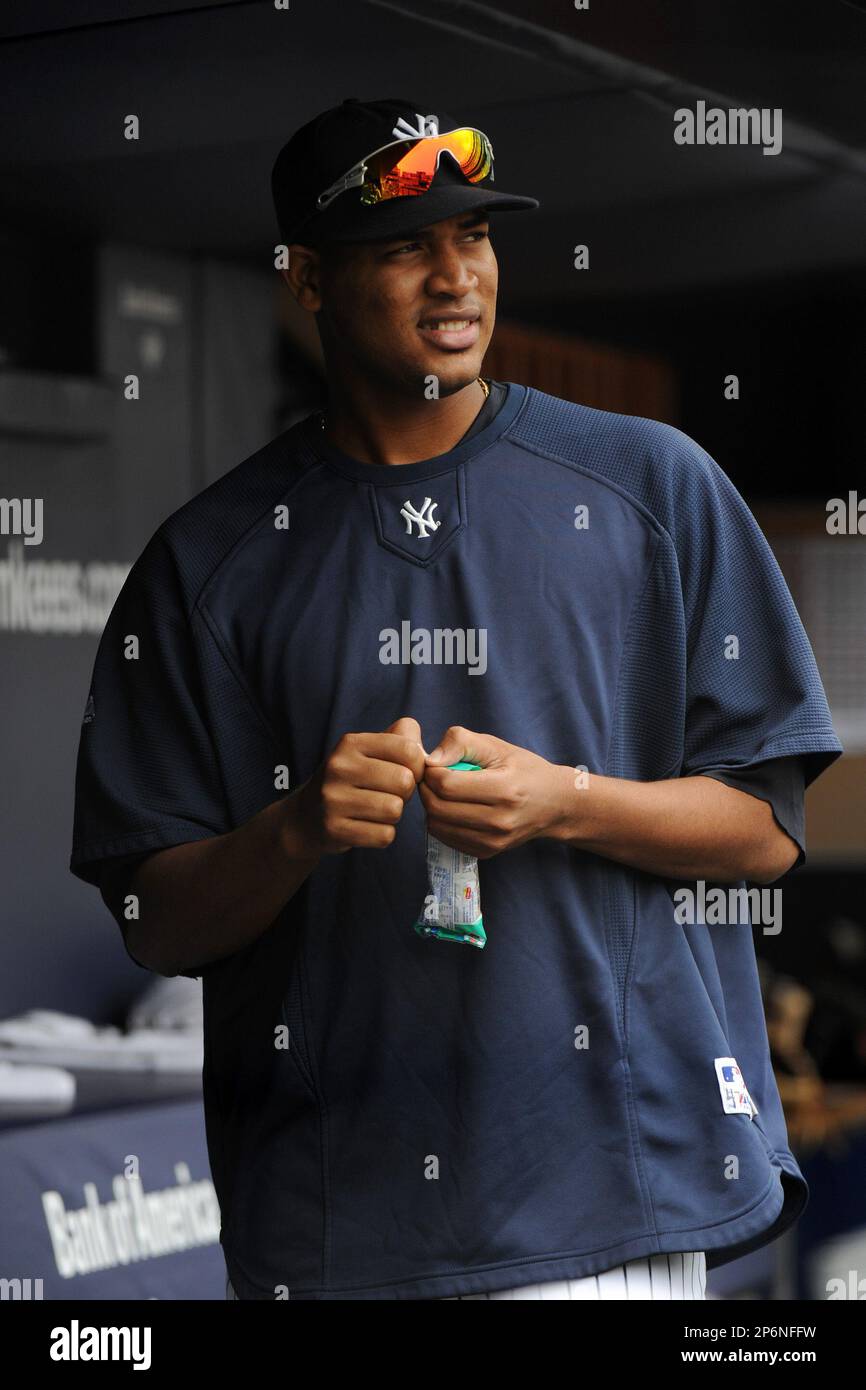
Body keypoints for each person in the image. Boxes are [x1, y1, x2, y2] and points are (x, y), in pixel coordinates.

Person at [70, 96, 843, 1301]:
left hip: (607, 1207)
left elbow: (765, 832)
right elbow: (154, 922)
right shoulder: (211, 557)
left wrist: (566, 800)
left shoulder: (650, 484)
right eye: (402, 247)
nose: (454, 277)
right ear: (310, 279)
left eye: (473, 236)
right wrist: (293, 829)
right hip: (339, 1232)